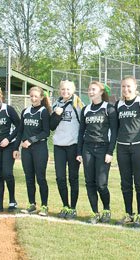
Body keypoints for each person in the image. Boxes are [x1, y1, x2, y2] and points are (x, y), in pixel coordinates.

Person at [115, 76, 140, 227]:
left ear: (135, 87)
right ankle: (128, 213)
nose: (126, 89)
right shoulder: (118, 104)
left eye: (129, 86)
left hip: (139, 146)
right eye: (123, 86)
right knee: (125, 182)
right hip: (122, 147)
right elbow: (116, 125)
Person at [77, 81, 118, 224]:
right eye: (89, 89)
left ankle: (106, 209)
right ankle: (95, 212)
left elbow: (114, 132)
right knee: (89, 182)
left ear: (101, 92)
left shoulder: (109, 108)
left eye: (94, 89)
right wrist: (79, 152)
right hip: (87, 148)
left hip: (103, 149)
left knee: (101, 184)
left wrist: (110, 151)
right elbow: (81, 131)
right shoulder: (86, 109)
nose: (91, 92)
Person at [49, 80, 83, 219]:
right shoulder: (56, 104)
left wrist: (81, 148)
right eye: (63, 89)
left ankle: (73, 208)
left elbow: (83, 125)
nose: (65, 92)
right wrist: (57, 114)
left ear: (73, 90)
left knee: (73, 178)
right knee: (60, 178)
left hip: (73, 145)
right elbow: (51, 126)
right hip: (59, 146)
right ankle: (65, 205)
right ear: (59, 90)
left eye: (68, 89)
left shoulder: (78, 104)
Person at [18, 86, 51, 216]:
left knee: (41, 178)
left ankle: (44, 206)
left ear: (41, 97)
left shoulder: (43, 111)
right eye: (31, 96)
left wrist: (31, 140)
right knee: (29, 178)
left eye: (36, 96)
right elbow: (20, 131)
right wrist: (16, 147)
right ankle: (31, 204)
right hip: (26, 150)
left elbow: (46, 132)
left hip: (39, 148)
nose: (33, 98)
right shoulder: (25, 111)